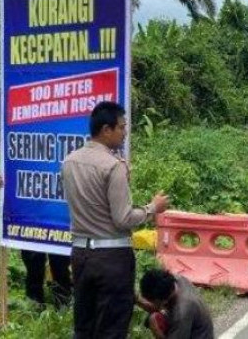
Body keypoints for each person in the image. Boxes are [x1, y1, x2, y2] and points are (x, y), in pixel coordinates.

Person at [61, 101, 169, 339]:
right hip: (111, 259)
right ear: (106, 130)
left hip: (80, 255)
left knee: (84, 326)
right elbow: (123, 219)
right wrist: (153, 208)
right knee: (112, 328)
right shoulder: (112, 166)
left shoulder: (69, 162)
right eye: (122, 127)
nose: (125, 132)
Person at [0, 174, 71, 308]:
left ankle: (63, 304)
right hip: (31, 217)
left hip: (58, 216)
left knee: (60, 264)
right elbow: (15, 172)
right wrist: (4, 180)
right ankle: (35, 304)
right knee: (33, 264)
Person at [138, 268, 214, 339]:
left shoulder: (182, 313)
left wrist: (158, 334)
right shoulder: (177, 279)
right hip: (189, 326)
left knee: (154, 320)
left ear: (163, 301)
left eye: (151, 301)